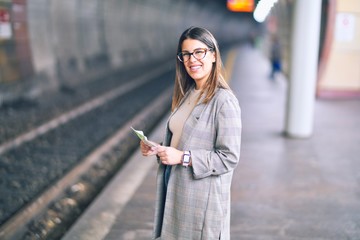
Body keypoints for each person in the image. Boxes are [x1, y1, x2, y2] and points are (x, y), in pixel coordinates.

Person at [140, 26, 242, 240]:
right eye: (186, 54)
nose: (192, 60)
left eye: (199, 52)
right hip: (176, 191)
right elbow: (185, 139)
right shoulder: (189, 94)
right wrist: (158, 148)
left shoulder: (224, 101)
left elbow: (229, 158)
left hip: (200, 203)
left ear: (213, 55)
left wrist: (183, 157)